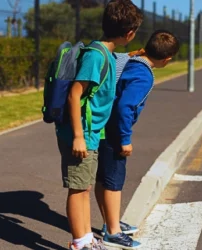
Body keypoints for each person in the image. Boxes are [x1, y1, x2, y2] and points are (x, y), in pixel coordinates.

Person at [55, 1, 143, 249]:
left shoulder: (105, 53)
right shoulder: (96, 56)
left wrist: (133, 55)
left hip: (90, 133)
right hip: (81, 133)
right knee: (77, 188)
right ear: (129, 33)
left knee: (84, 187)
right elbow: (75, 95)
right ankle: (79, 242)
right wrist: (78, 136)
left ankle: (85, 239)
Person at [94, 30, 180, 249]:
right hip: (115, 132)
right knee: (114, 182)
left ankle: (110, 223)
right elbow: (125, 106)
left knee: (104, 179)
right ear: (167, 59)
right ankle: (112, 233)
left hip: (104, 126)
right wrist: (125, 139)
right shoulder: (144, 75)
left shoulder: (133, 61)